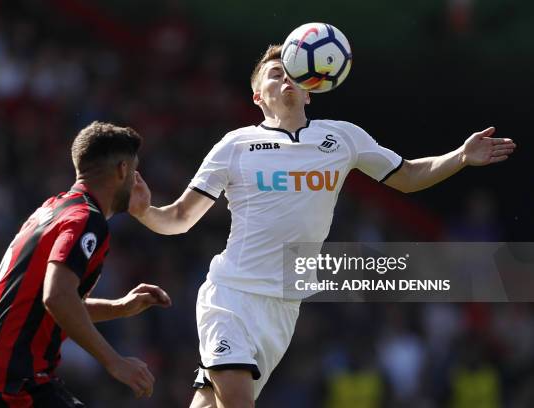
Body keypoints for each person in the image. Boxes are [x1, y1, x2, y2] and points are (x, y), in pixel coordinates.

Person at [127, 45, 516, 407]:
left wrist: (461, 157)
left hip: (283, 307)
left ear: (311, 90)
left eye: (294, 74)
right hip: (231, 293)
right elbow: (179, 218)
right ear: (258, 96)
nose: (286, 80)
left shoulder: (341, 137)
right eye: (276, 74)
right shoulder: (235, 145)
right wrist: (145, 211)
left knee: (210, 403)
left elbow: (408, 176)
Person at [0, 121, 172, 407]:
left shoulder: (53, 209)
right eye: (134, 170)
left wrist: (121, 307)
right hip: (18, 386)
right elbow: (58, 297)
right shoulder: (86, 220)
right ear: (122, 169)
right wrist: (115, 362)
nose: (137, 180)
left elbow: (52, 305)